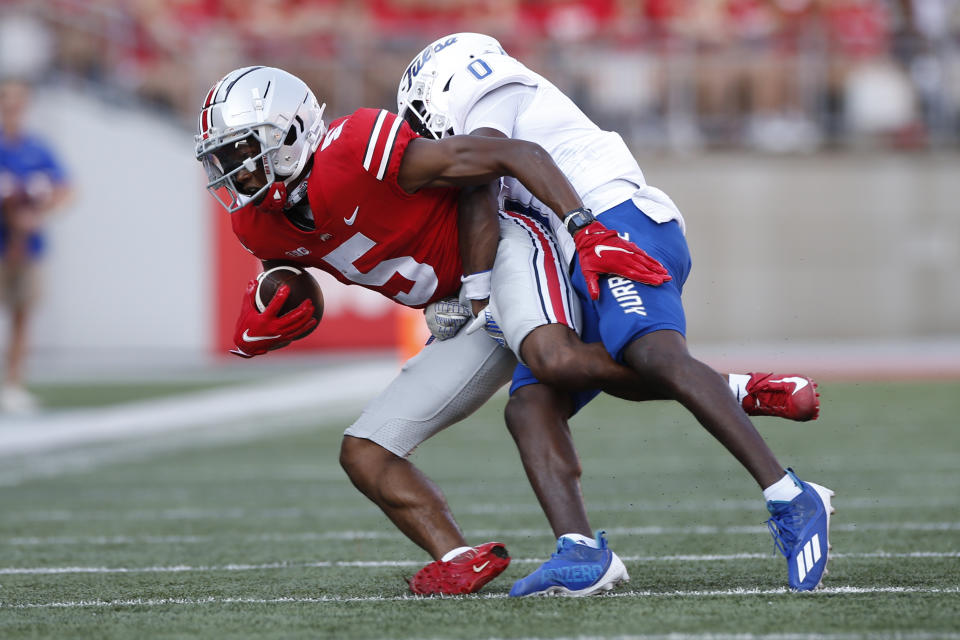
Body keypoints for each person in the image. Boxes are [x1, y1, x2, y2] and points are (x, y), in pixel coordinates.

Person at [196, 65, 820, 597]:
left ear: (292, 135)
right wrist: (279, 301)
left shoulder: (357, 147)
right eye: (224, 158)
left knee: (552, 359)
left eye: (241, 151)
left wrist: (572, 230)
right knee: (365, 450)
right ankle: (455, 556)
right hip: (461, 314)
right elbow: (294, 271)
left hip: (505, 251)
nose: (233, 172)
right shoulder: (258, 224)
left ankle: (736, 392)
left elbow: (507, 158)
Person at [394, 33, 833, 595]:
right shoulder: (487, 122)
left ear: (440, 87)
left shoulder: (487, 88)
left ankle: (790, 494)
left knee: (652, 352)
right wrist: (474, 296)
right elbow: (482, 209)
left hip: (611, 221)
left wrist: (474, 294)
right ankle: (580, 551)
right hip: (573, 247)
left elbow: (482, 190)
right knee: (532, 402)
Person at [0, 79, 72, 413]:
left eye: (18, 99)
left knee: (22, 314)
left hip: (28, 247)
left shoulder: (37, 147)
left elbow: (65, 189)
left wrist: (38, 214)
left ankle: (13, 383)